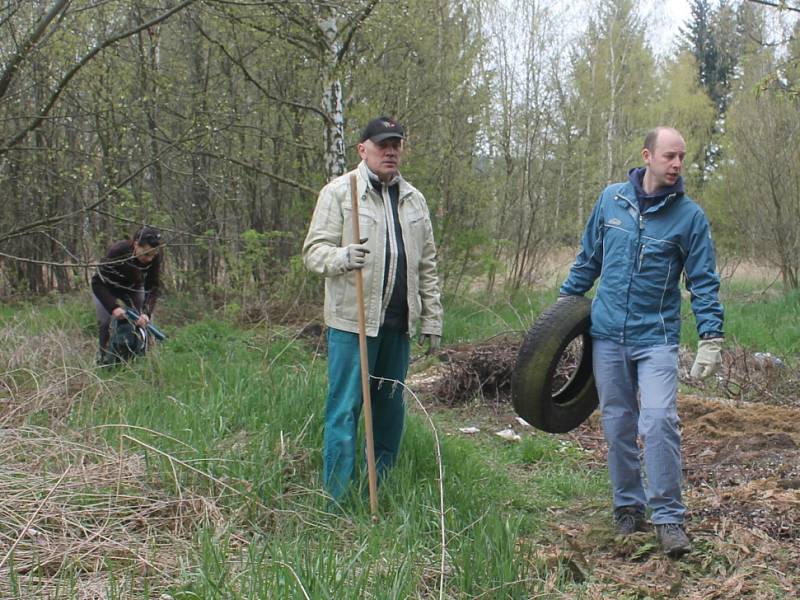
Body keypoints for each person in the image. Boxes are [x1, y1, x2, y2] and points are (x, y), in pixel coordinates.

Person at [559, 126, 724, 557]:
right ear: (647, 156)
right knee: (617, 423)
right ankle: (628, 506)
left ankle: (668, 517)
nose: (677, 165)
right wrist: (557, 317)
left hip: (657, 338)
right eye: (670, 156)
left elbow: (703, 281)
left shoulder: (689, 217)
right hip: (608, 335)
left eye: (682, 157)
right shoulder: (611, 199)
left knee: (659, 421)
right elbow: (588, 260)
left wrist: (711, 336)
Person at [303, 116, 443, 502]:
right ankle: (337, 495)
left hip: (398, 325)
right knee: (345, 409)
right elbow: (313, 253)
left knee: (389, 413)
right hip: (354, 323)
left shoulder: (414, 199)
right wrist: (343, 256)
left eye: (396, 144)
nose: (391, 151)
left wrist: (431, 317)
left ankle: (378, 488)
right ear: (363, 150)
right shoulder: (340, 193)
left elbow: (426, 264)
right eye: (383, 145)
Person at [91, 226, 163, 363]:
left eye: (153, 255)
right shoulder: (117, 251)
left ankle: (141, 357)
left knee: (143, 320)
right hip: (106, 287)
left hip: (133, 288)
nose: (149, 259)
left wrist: (146, 313)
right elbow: (96, 283)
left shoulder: (155, 256)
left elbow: (153, 286)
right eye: (146, 254)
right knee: (105, 321)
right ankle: (104, 359)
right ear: (136, 244)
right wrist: (114, 307)